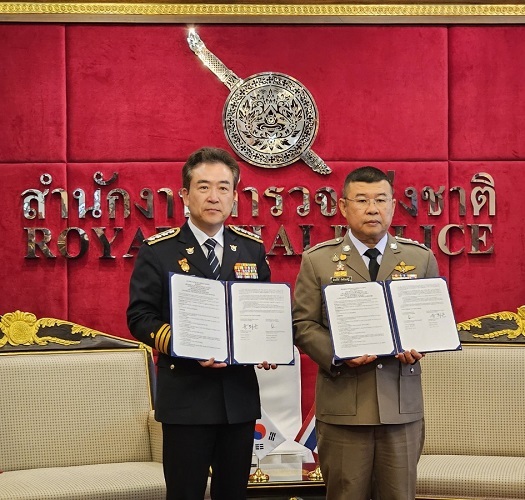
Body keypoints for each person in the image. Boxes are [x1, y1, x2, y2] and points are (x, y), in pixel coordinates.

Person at [127, 147, 273, 500]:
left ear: (235, 197)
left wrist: (267, 342)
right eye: (204, 187)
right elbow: (140, 317)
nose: (214, 196)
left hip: (237, 398)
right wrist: (188, 345)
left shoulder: (250, 249)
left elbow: (262, 311)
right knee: (185, 493)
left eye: (224, 188)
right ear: (185, 195)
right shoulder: (158, 250)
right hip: (186, 396)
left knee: (233, 493)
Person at [293, 166, 439, 500]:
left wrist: (421, 344)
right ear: (343, 207)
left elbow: (430, 319)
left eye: (380, 200)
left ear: (392, 205)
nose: (372, 208)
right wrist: (337, 353)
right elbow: (303, 324)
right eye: (362, 200)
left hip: (400, 408)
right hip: (344, 406)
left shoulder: (421, 258)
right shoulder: (319, 261)